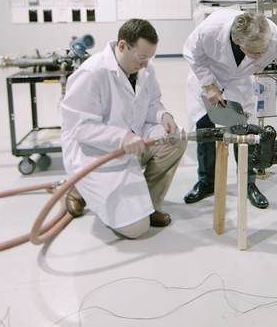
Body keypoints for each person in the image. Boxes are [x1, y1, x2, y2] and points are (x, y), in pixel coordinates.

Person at [183, 8, 277, 209]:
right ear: (237, 41)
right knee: (204, 127)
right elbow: (192, 52)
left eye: (263, 51)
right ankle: (206, 182)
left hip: (237, 83)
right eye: (255, 53)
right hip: (208, 75)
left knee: (243, 131)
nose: (261, 56)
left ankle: (248, 183)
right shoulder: (210, 30)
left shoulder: (274, 39)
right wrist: (209, 85)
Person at [60, 19, 186, 240]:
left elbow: (152, 102)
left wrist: (162, 115)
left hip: (132, 143)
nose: (146, 64)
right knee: (136, 229)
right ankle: (79, 187)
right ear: (122, 46)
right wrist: (121, 137)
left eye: (150, 58)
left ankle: (150, 203)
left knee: (176, 139)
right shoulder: (92, 73)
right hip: (97, 153)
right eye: (141, 57)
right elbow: (79, 128)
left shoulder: (145, 69)